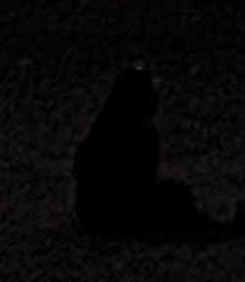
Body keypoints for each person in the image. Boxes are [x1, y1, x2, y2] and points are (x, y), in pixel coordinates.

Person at [72, 63, 209, 244]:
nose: (156, 99)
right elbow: (116, 184)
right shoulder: (108, 135)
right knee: (175, 195)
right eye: (150, 93)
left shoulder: (145, 134)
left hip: (123, 206)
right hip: (110, 211)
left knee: (176, 193)